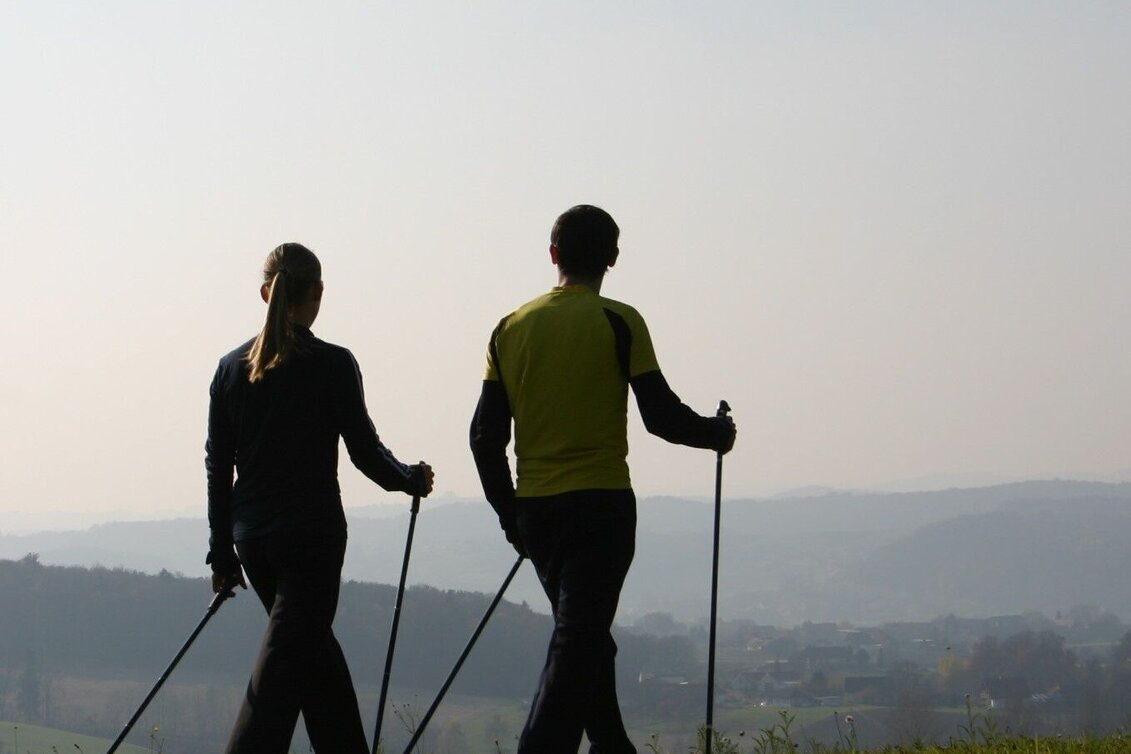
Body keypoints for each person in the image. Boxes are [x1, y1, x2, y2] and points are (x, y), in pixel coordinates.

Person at [470, 205, 736, 754]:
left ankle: (614, 746)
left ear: (553, 256)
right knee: (579, 641)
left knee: (587, 642)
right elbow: (661, 418)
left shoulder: (508, 328)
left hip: (538, 512)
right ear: (613, 259)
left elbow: (483, 437)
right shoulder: (620, 320)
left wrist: (509, 514)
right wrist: (716, 434)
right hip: (602, 506)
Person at [205, 242, 434, 754]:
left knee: (313, 662)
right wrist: (411, 478)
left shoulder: (228, 370)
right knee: (283, 675)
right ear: (318, 293)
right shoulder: (332, 364)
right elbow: (365, 453)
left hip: (253, 543)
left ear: (265, 292)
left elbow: (219, 467)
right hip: (313, 539)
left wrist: (222, 553)